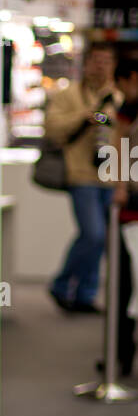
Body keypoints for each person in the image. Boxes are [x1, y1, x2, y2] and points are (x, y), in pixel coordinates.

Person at [46, 43, 121, 314]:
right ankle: (63, 283)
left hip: (113, 177)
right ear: (86, 63)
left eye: (106, 60)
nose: (100, 65)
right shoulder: (68, 95)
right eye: (96, 60)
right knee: (93, 234)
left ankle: (85, 296)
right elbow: (52, 128)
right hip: (81, 174)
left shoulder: (121, 96)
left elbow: (117, 126)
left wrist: (101, 117)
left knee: (102, 239)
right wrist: (84, 117)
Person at [105, 58, 138, 377]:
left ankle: (122, 353)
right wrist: (120, 185)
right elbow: (118, 151)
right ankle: (121, 353)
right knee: (125, 283)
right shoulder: (125, 114)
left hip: (129, 205)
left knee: (127, 284)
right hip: (130, 210)